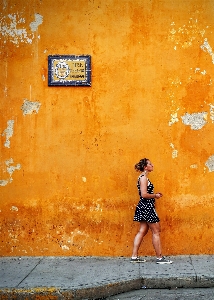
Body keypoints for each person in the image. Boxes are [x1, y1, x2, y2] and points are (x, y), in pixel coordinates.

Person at [131, 158, 172, 264]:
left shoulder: (142, 177)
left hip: (144, 206)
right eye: (150, 164)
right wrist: (155, 195)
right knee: (156, 231)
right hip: (147, 207)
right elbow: (144, 194)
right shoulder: (144, 178)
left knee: (142, 231)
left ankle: (134, 257)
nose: (152, 165)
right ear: (145, 167)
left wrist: (153, 195)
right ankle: (160, 258)